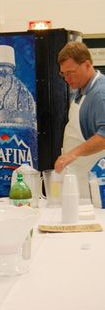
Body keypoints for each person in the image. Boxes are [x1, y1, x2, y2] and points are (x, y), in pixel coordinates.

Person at [54, 41, 105, 199]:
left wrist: (72, 154)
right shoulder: (81, 90)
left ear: (87, 65)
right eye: (63, 74)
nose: (67, 78)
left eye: (71, 72)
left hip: (95, 184)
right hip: (80, 179)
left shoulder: (99, 94)